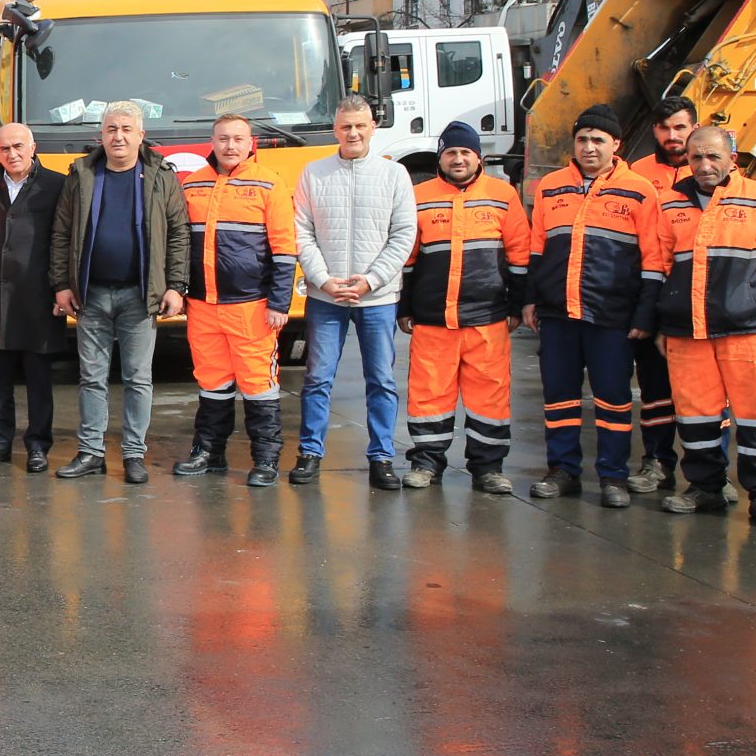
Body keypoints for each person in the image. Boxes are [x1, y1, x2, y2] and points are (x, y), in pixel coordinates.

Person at [642, 126, 756, 529]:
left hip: (750, 330)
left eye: (713, 156)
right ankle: (705, 488)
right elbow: (659, 268)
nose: (704, 165)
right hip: (687, 333)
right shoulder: (669, 204)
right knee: (695, 417)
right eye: (696, 157)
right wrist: (661, 326)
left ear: (733, 159)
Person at [525, 104, 663, 507]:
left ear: (615, 144)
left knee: (613, 400)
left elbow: (653, 260)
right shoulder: (551, 187)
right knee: (559, 398)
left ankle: (613, 476)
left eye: (598, 140)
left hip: (611, 315)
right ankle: (562, 470)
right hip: (558, 314)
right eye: (582, 139)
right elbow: (537, 249)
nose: (589, 147)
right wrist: (531, 299)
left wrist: (644, 314)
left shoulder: (640, 191)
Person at [49, 102, 190, 483]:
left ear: (141, 135)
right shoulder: (82, 175)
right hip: (90, 293)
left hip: (139, 295)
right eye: (112, 129)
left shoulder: (161, 177)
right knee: (91, 378)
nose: (119, 136)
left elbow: (179, 234)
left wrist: (176, 286)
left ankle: (133, 455)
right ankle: (91, 452)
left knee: (138, 379)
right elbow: (61, 233)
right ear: (102, 135)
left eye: (127, 129)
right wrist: (62, 285)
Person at [286, 95, 417, 490]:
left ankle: (382, 458)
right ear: (335, 129)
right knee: (317, 378)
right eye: (346, 126)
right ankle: (310, 453)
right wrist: (323, 279)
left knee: (381, 380)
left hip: (377, 298)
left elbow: (404, 234)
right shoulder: (314, 173)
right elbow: (301, 232)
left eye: (360, 125)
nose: (353, 133)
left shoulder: (395, 175)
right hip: (326, 298)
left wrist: (371, 280)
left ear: (373, 127)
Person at [398, 122, 530, 493]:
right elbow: (407, 258)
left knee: (489, 397)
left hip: (487, 318)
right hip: (433, 319)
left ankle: (488, 469)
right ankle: (426, 464)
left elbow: (520, 255)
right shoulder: (419, 196)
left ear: (478, 157)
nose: (458, 159)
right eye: (450, 153)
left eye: (465, 152)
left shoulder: (503, 195)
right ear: (440, 158)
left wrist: (516, 305)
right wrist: (404, 307)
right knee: (429, 395)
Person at [173, 114, 297, 487]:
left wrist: (279, 303)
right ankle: (209, 453)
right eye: (223, 138)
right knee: (211, 383)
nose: (230, 146)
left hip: (252, 307)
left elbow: (285, 249)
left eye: (238, 139)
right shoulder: (192, 184)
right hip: (203, 306)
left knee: (259, 385)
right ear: (212, 142)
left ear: (250, 143)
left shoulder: (269, 184)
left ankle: (266, 459)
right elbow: (179, 244)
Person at [0, 121, 67, 472]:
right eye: (5, 148)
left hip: (38, 295)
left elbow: (64, 238)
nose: (12, 154)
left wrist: (62, 287)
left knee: (39, 378)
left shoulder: (57, 184)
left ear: (33, 147)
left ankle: (38, 446)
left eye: (18, 147)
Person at [625, 96, 697, 491]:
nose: (673, 136)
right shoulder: (638, 174)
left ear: (693, 128)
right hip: (652, 292)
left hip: (698, 295)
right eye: (665, 128)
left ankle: (709, 472)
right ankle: (656, 462)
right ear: (655, 130)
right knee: (654, 387)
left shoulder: (712, 170)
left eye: (680, 127)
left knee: (703, 391)